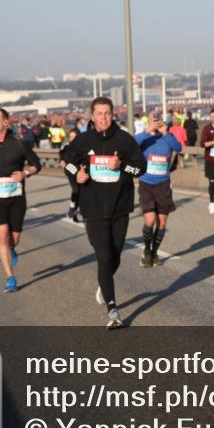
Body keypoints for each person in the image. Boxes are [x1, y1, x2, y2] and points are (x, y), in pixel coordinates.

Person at [61, 97, 146, 329]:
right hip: (93, 208)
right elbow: (66, 160)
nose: (104, 117)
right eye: (99, 113)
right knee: (105, 257)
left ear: (113, 114)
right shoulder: (83, 140)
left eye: (107, 113)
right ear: (92, 116)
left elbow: (141, 168)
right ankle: (113, 310)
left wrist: (122, 166)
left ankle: (104, 281)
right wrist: (76, 175)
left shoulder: (125, 140)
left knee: (115, 256)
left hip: (120, 207)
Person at [0, 108, 42, 294]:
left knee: (14, 238)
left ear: (6, 122)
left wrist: (25, 173)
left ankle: (12, 248)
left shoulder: (20, 143)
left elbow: (36, 164)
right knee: (2, 234)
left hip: (17, 197)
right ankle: (10, 278)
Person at [135, 110, 183, 267]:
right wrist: (147, 131)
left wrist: (166, 133)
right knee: (149, 220)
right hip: (146, 184)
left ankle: (154, 253)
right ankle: (146, 251)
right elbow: (131, 145)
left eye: (158, 119)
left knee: (161, 223)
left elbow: (178, 148)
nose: (156, 122)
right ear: (148, 121)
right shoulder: (143, 137)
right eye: (152, 119)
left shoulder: (167, 137)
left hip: (163, 185)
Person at [59, 128, 83, 223]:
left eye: (74, 137)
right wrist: (62, 160)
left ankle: (76, 209)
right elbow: (61, 155)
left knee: (83, 191)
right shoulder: (66, 146)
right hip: (70, 169)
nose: (72, 139)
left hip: (81, 169)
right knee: (76, 190)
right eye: (70, 137)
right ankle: (72, 209)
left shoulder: (84, 145)